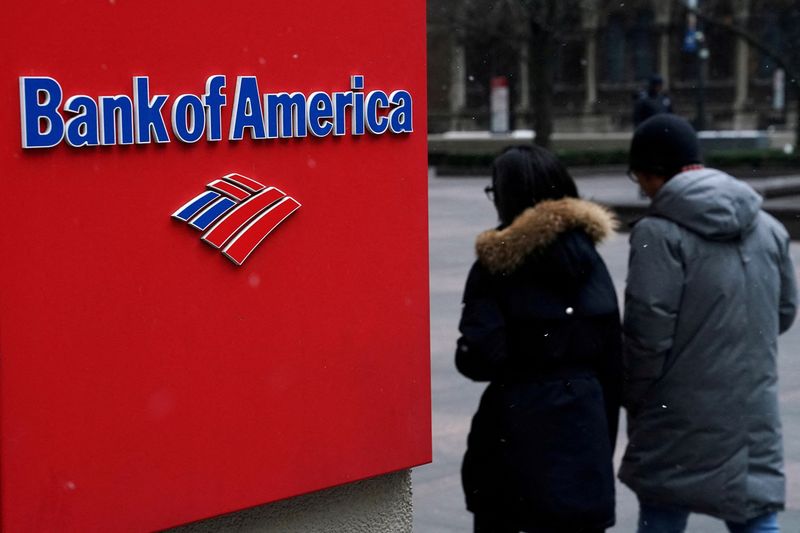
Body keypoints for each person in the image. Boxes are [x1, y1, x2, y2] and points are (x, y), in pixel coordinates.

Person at [620, 114, 798, 533]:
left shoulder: (656, 233)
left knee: (663, 511)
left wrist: (635, 394)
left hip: (675, 412)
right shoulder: (769, 228)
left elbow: (647, 335)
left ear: (652, 173)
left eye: (638, 176)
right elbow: (784, 312)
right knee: (755, 512)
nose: (641, 188)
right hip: (752, 409)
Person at [455, 145, 622, 533]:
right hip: (585, 434)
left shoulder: (496, 264)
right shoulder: (591, 260)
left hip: (515, 439)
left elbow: (479, 358)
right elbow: (615, 363)